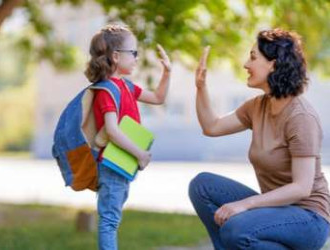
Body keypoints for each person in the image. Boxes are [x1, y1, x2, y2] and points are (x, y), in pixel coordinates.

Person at [188, 28, 330, 249]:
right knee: (202, 185)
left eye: (253, 57)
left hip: (308, 218)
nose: (246, 64)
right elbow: (212, 126)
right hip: (275, 211)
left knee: (236, 228)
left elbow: (302, 188)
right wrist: (200, 87)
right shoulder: (257, 106)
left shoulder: (301, 116)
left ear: (273, 64)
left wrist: (245, 205)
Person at [85, 24, 171, 250]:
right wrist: (140, 154)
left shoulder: (127, 86)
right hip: (112, 164)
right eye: (133, 53)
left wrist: (167, 72)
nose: (136, 58)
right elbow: (112, 131)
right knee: (109, 221)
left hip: (122, 163)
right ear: (115, 56)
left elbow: (158, 98)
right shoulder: (106, 91)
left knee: (113, 218)